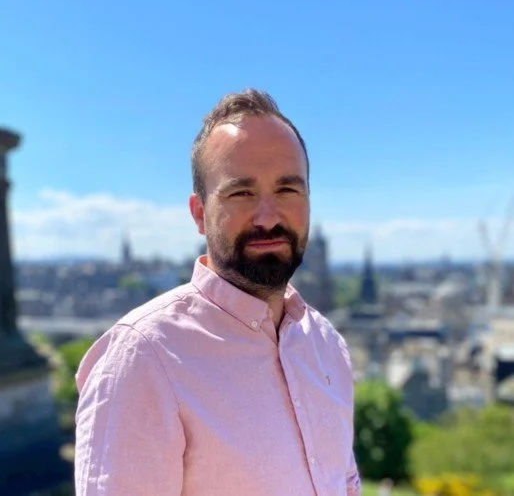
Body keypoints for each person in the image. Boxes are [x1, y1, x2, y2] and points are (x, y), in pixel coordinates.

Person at [74, 89, 361, 496]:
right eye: (241, 193)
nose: (268, 218)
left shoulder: (326, 345)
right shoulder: (143, 359)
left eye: (287, 190)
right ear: (199, 214)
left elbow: (344, 483)